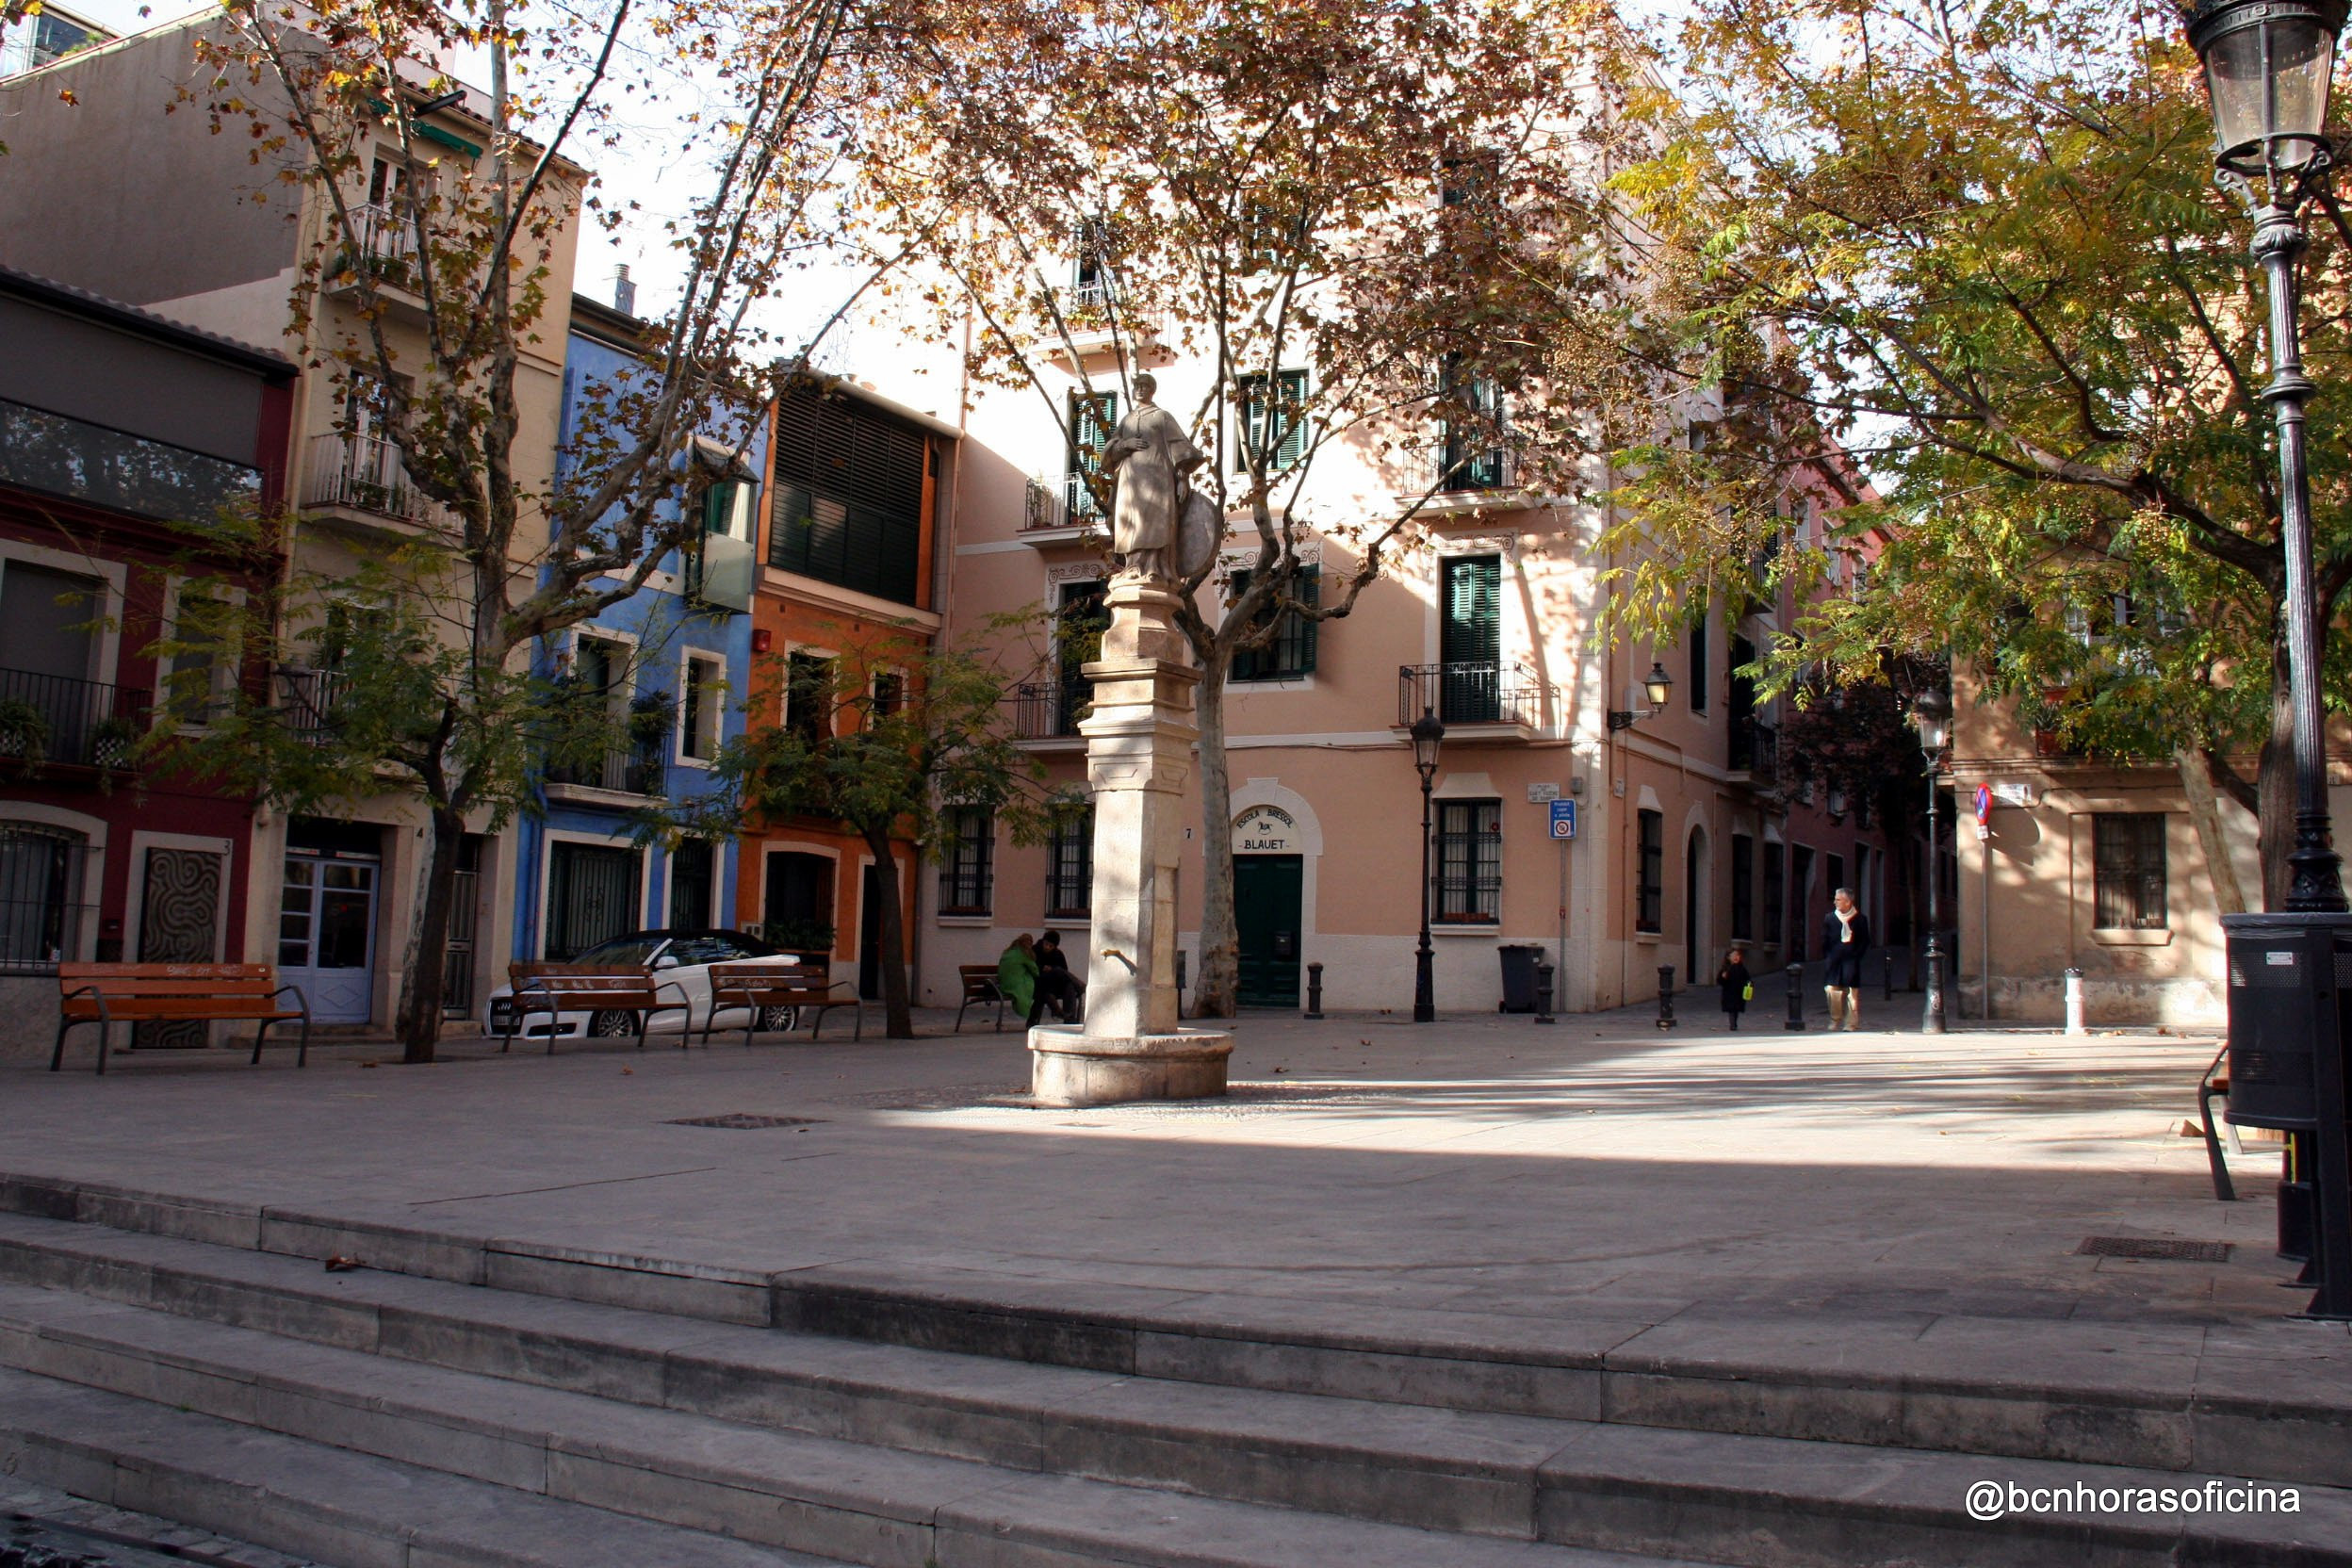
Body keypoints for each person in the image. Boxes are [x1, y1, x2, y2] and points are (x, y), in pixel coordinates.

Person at [1102, 371, 1205, 583]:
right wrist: (1124, 445)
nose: (1140, 389)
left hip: (1158, 481)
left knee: (1155, 523)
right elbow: (1109, 452)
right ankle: (1132, 566)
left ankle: (1154, 568)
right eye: (1137, 386)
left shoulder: (1162, 416)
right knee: (1131, 521)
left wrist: (1183, 477)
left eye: (1144, 386)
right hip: (1131, 484)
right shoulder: (1128, 420)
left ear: (1152, 390)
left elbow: (1179, 446)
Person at [1820, 888, 1872, 1030]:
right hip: (1834, 961)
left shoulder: (1860, 919)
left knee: (1851, 993)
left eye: (1838, 900)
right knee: (1831, 990)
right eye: (1835, 899)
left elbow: (1865, 940)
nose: (1835, 902)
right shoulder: (1830, 918)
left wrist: (1856, 955)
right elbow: (1824, 939)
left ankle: (1851, 1023)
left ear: (1848, 902)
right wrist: (1828, 956)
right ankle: (1835, 1019)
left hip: (1851, 960)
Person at [1034, 930, 1086, 1023]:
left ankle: (1069, 1019)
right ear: (1043, 941)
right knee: (1057, 970)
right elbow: (1032, 968)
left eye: (1051, 946)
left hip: (1056, 984)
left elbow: (1064, 971)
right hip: (1041, 984)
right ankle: (1080, 985)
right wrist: (1043, 968)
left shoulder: (1058, 954)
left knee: (1069, 986)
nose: (1047, 947)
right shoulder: (1035, 951)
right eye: (1046, 944)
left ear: (1055, 947)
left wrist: (1052, 969)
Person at [996, 933, 1039, 1025]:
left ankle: (1033, 1020)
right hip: (1015, 987)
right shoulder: (1023, 953)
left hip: (1003, 985)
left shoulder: (1009, 951)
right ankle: (1032, 1019)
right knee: (1040, 992)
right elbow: (1036, 972)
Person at [1717, 946, 1752, 1031]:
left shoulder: (1742, 968)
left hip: (1739, 992)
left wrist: (1749, 983)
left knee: (1736, 1009)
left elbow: (1747, 978)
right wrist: (1723, 977)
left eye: (1737, 955)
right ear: (1728, 957)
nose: (1736, 957)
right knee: (1731, 1009)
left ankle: (1734, 1023)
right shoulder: (1725, 968)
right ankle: (1732, 1025)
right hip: (1729, 992)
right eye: (1734, 955)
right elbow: (1719, 981)